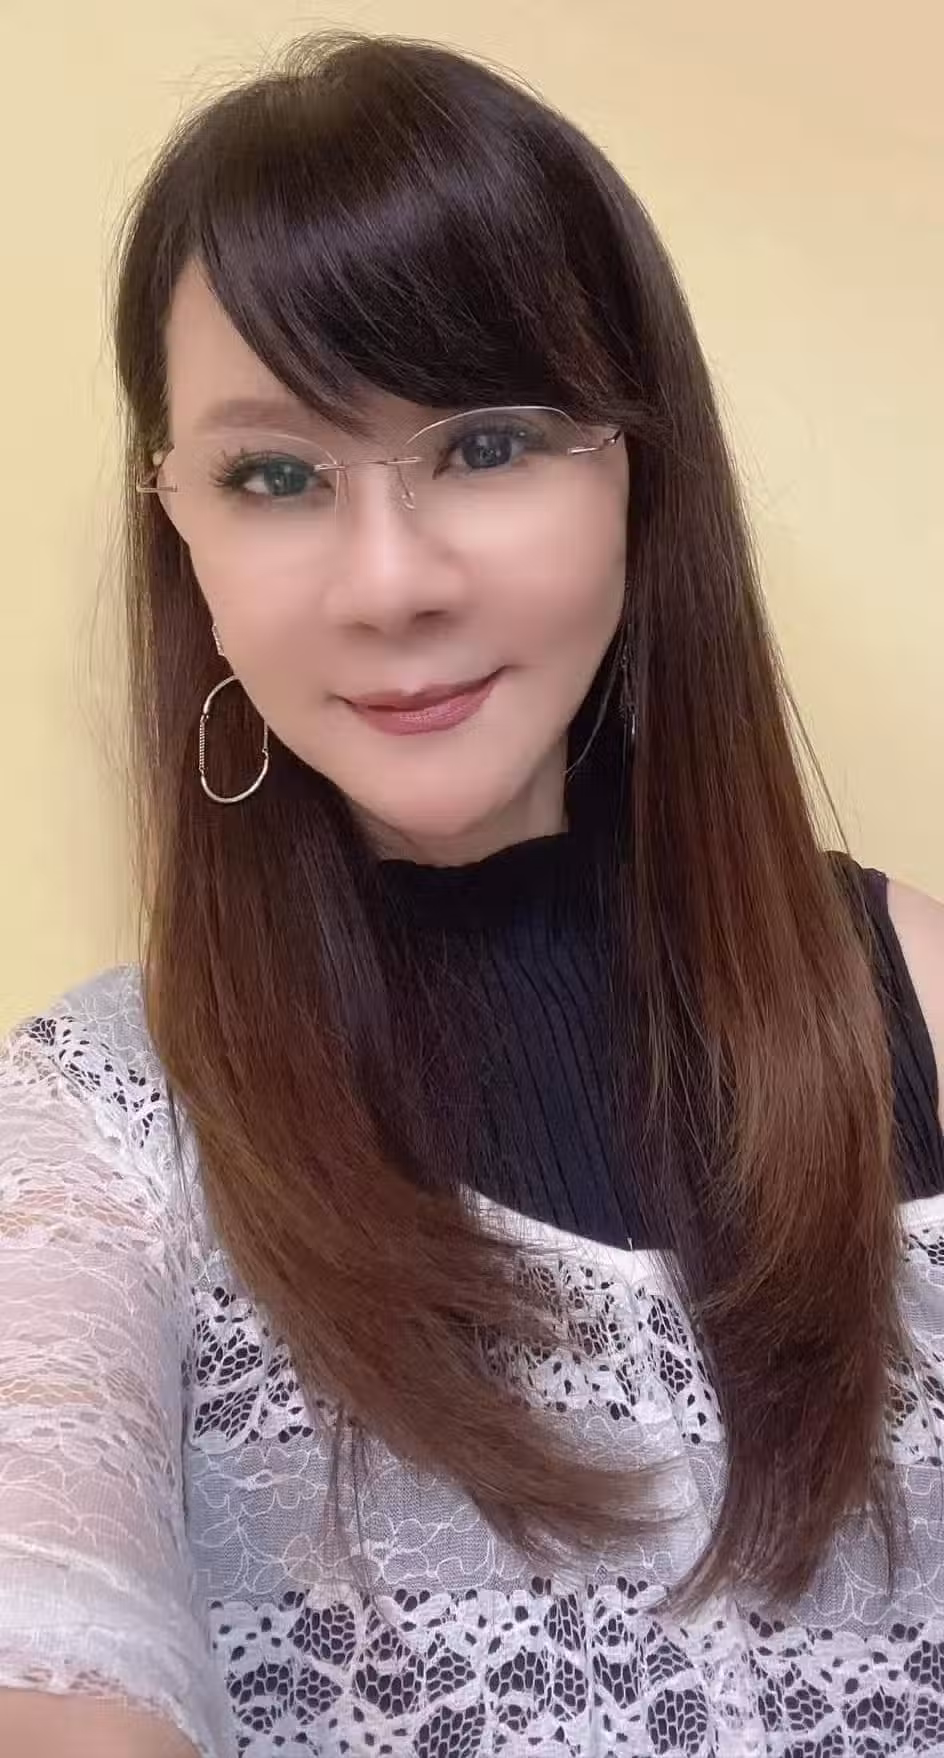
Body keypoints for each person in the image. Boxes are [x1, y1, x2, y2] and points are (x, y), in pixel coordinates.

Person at [1, 29, 943, 1758]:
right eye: (275, 475)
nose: (387, 583)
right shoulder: (97, 1130)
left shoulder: (925, 1000)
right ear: (182, 530)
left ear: (638, 464)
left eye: (488, 443)